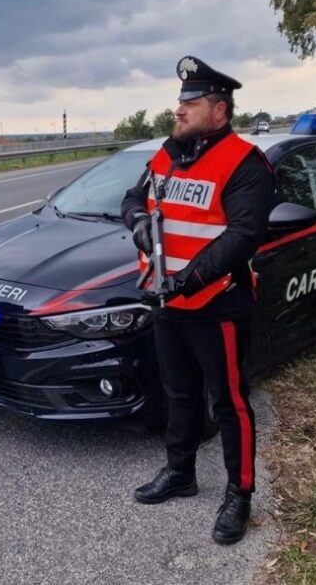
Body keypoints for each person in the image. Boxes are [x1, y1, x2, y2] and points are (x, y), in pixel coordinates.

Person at [121, 56, 274, 545]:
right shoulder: (167, 156)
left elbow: (243, 235)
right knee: (179, 394)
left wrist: (190, 278)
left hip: (216, 306)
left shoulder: (245, 163)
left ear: (220, 110)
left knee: (229, 404)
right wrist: (139, 225)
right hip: (166, 302)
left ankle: (240, 494)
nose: (180, 109)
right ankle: (180, 473)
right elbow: (131, 200)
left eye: (191, 101)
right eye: (180, 100)